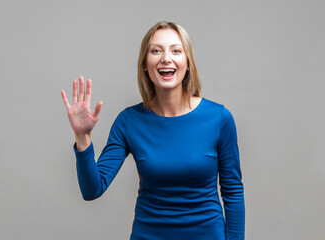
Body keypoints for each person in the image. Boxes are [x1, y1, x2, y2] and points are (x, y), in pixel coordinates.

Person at [61, 21, 245, 240]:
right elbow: (93, 189)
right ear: (145, 65)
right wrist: (82, 137)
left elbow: (233, 192)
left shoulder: (219, 119)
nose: (166, 58)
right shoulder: (129, 121)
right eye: (156, 51)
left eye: (176, 50)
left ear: (188, 63)